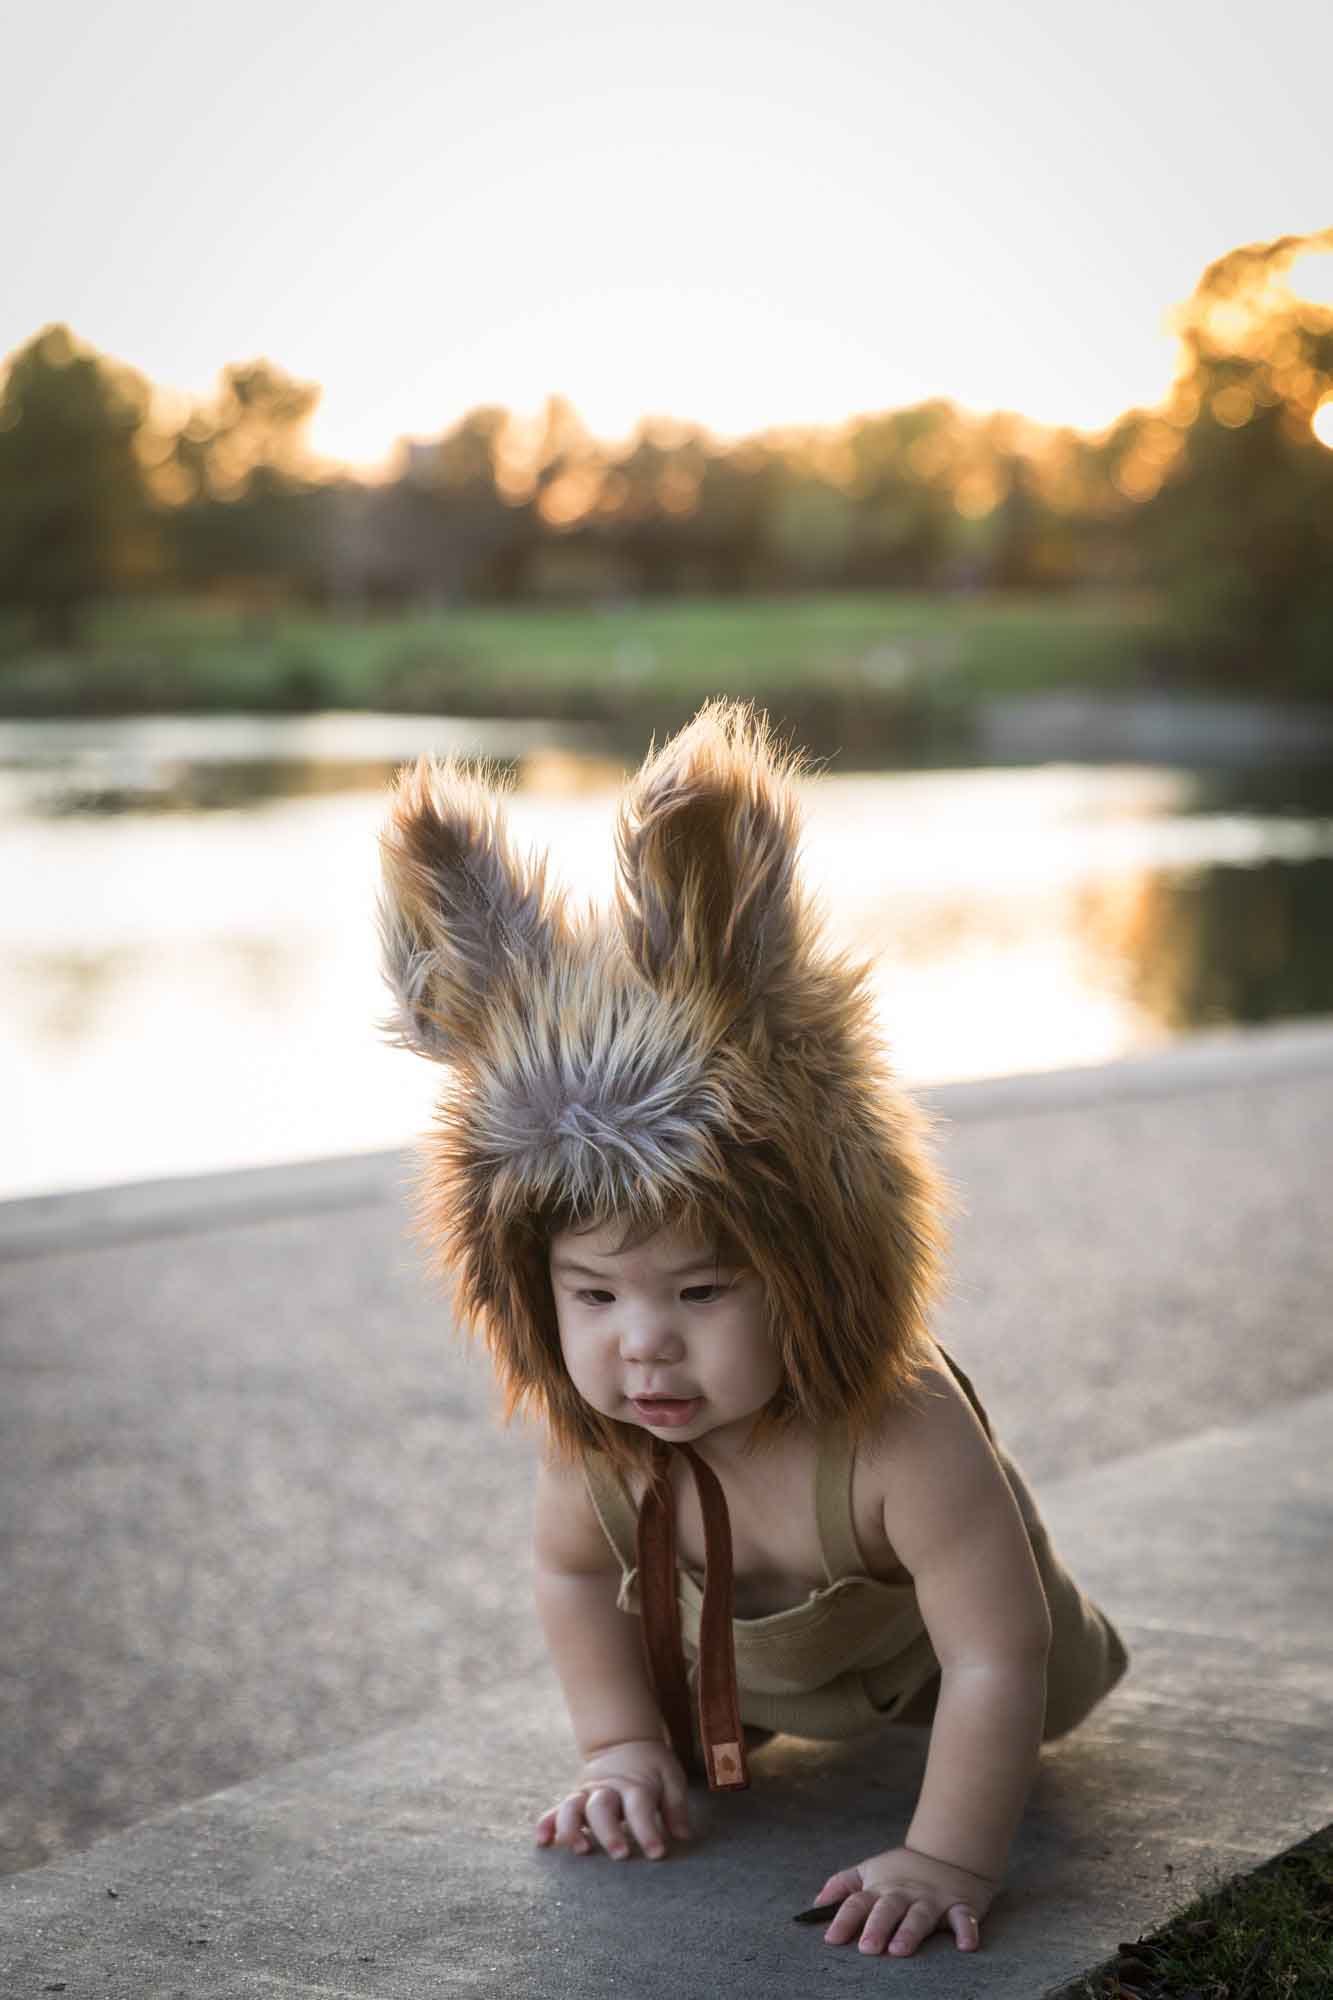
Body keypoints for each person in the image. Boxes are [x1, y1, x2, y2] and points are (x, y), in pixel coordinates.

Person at [378, 701, 1127, 1961]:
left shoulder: (899, 1430)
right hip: (741, 1686)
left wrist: (945, 1850)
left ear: (810, 1271)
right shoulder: (604, 1437)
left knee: (1014, 1680)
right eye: (597, 1297)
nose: (644, 1346)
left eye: (703, 1291)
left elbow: (998, 1648)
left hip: (948, 1674)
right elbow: (571, 1574)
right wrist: (621, 1744)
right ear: (532, 1285)